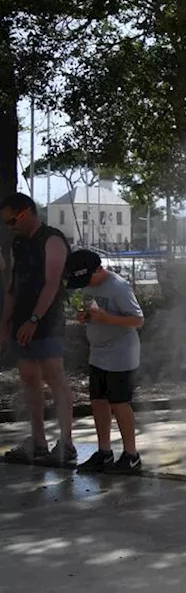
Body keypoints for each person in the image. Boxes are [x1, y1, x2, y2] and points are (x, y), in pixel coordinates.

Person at [1, 193, 76, 467]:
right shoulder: (18, 244)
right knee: (29, 378)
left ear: (27, 212)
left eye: (12, 220)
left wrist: (34, 319)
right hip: (21, 320)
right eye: (6, 223)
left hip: (47, 320)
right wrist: (5, 324)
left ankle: (66, 443)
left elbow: (52, 284)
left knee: (54, 376)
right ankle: (39, 441)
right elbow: (12, 287)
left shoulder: (52, 239)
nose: (10, 227)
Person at [64, 249, 146, 474]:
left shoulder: (118, 286)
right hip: (98, 352)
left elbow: (138, 320)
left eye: (85, 278)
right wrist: (85, 317)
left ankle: (131, 455)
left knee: (119, 403)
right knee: (98, 401)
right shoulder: (88, 284)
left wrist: (107, 318)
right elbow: (94, 311)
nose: (84, 284)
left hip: (121, 353)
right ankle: (104, 452)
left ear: (98, 269)